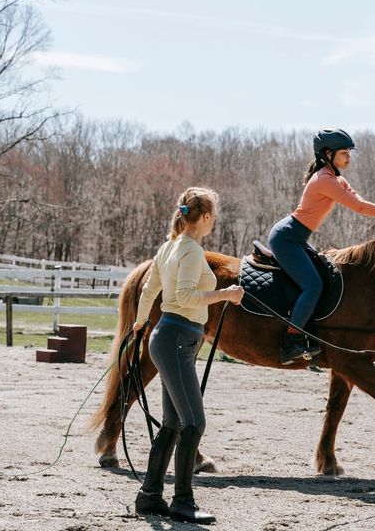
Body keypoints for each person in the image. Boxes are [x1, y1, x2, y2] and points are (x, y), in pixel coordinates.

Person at [132, 187, 244, 524]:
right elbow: (182, 296)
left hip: (167, 336)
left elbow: (151, 289)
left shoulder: (168, 247)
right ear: (206, 217)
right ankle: (183, 501)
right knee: (194, 422)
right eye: (215, 215)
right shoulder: (191, 250)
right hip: (178, 337)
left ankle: (150, 495)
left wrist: (139, 323)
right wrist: (225, 294)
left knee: (174, 422)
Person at [268, 129, 375, 365]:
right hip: (286, 238)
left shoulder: (336, 178)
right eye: (344, 153)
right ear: (328, 154)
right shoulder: (324, 180)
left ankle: (310, 334)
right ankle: (290, 341)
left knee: (322, 278)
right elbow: (360, 208)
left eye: (349, 152)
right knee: (313, 286)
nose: (348, 157)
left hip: (296, 237)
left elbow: (360, 201)